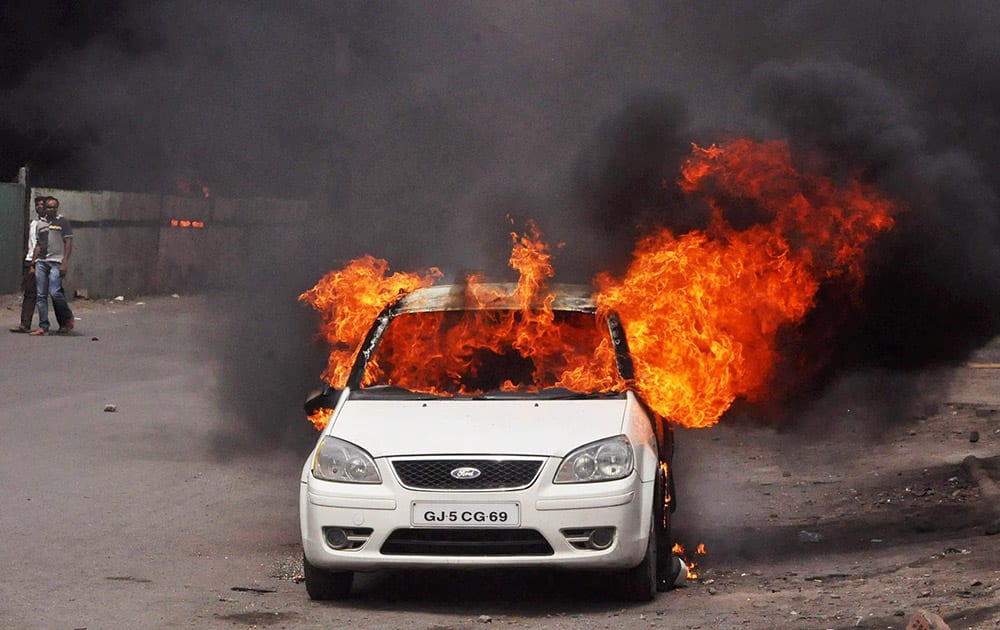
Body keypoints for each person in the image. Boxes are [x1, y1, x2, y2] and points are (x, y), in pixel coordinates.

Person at [30, 196, 75, 335]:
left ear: (57, 208)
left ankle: (68, 317)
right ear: (45, 208)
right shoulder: (40, 224)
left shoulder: (63, 222)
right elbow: (38, 245)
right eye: (49, 207)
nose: (52, 209)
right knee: (41, 295)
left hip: (56, 261)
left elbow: (68, 242)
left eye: (54, 207)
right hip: (41, 262)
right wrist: (33, 262)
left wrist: (65, 261)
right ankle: (43, 327)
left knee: (55, 292)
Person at [9, 196, 46, 333]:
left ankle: (65, 321)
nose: (39, 207)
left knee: (53, 293)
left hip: (43, 262)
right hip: (30, 260)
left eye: (42, 204)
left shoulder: (50, 224)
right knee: (30, 293)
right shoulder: (33, 223)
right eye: (37, 205)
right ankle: (25, 324)